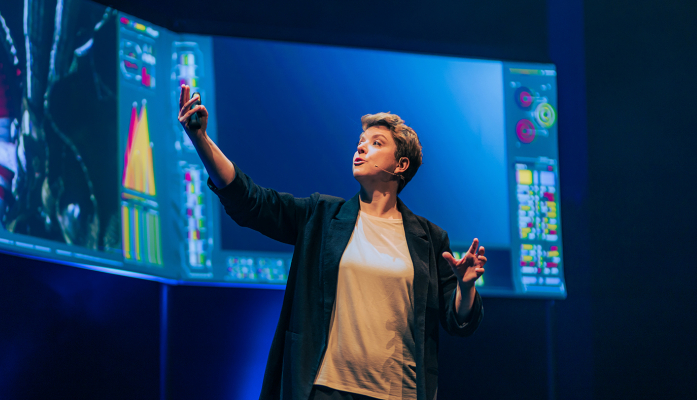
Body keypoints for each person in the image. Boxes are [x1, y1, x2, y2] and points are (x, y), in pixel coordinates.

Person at [177, 84, 485, 400]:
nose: (361, 148)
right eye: (360, 142)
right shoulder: (321, 217)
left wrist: (465, 286)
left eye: (376, 143)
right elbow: (252, 201)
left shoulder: (430, 239)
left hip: (401, 393)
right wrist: (200, 139)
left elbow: (459, 321)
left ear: (401, 165)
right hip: (329, 390)